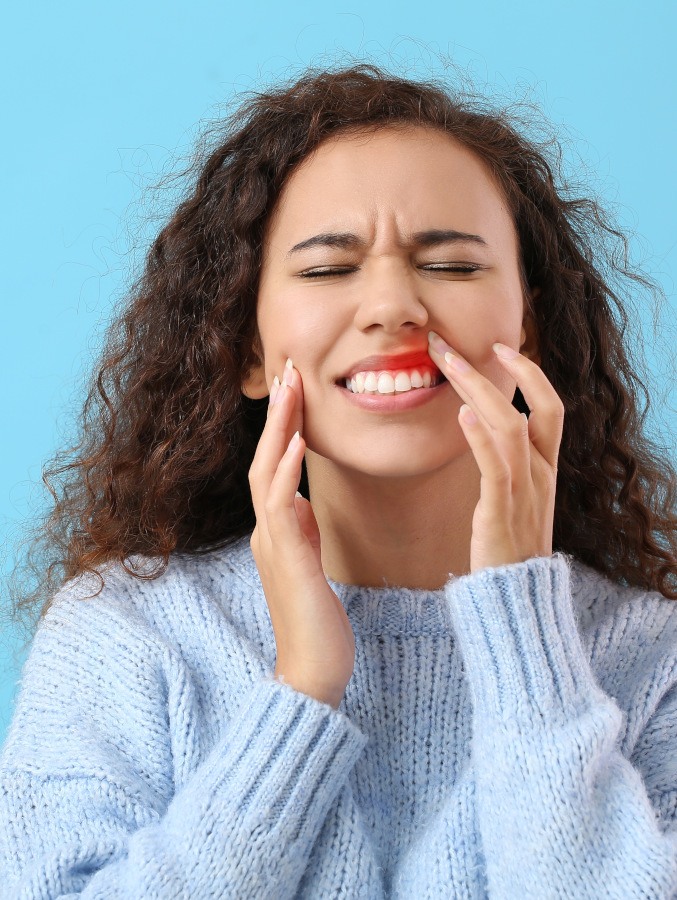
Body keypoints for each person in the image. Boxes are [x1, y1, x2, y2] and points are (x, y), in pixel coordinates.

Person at [1, 62, 676, 898]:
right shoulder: (126, 639)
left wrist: (524, 636)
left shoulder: (653, 658)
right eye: (326, 269)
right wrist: (300, 691)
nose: (393, 305)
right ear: (246, 348)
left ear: (527, 331)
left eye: (454, 266)